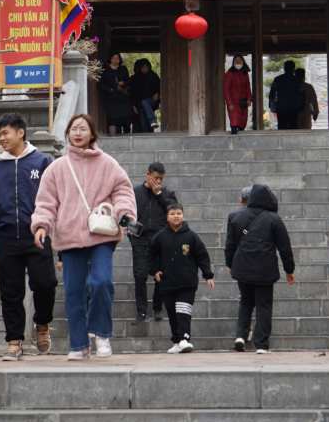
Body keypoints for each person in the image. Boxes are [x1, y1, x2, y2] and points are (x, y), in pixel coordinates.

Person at [31, 114, 137, 360]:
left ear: (92, 134)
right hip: (69, 236)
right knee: (74, 291)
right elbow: (46, 201)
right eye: (74, 129)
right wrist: (41, 225)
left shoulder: (108, 163)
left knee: (101, 282)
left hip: (101, 233)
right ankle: (79, 344)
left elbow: (122, 190)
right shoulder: (57, 167)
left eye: (83, 128)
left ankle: (101, 334)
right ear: (68, 133)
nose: (78, 133)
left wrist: (125, 213)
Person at [0, 113, 56, 361]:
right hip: (6, 236)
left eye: (5, 133)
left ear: (20, 132)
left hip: (37, 234)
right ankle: (14, 340)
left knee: (45, 283)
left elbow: (53, 198)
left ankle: (42, 324)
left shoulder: (42, 162)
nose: (2, 139)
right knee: (10, 290)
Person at [224, 184, 295, 353]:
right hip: (265, 268)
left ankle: (240, 335)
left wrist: (229, 263)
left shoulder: (235, 217)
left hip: (242, 266)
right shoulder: (274, 219)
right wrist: (289, 270)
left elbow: (230, 245)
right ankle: (261, 343)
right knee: (263, 305)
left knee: (246, 302)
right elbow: (285, 247)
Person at [150, 202, 214, 353]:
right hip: (167, 282)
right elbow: (151, 256)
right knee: (172, 313)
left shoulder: (191, 236)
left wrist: (208, 275)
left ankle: (185, 338)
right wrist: (155, 271)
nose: (176, 216)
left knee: (183, 310)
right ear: (167, 217)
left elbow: (202, 256)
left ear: (183, 215)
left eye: (178, 213)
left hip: (187, 282)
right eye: (172, 214)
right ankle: (177, 341)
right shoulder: (160, 237)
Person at [130, 162, 177, 323]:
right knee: (140, 274)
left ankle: (158, 308)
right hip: (140, 239)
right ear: (148, 175)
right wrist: (132, 233)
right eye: (156, 178)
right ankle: (141, 312)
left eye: (161, 179)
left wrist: (159, 195)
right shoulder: (135, 192)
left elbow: (173, 212)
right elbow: (128, 215)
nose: (158, 182)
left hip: (160, 239)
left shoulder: (167, 193)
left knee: (161, 275)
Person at [98, 52, 133, 134]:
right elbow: (101, 84)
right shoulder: (105, 70)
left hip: (123, 97)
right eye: (113, 58)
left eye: (117, 58)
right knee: (112, 119)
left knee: (126, 118)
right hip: (111, 98)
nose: (115, 60)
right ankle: (113, 139)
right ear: (110, 59)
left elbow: (128, 81)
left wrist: (123, 83)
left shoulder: (123, 69)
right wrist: (110, 89)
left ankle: (127, 138)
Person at [268, 60, 305, 130]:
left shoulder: (278, 79)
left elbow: (272, 94)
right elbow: (302, 95)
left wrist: (272, 105)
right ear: (293, 69)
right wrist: (301, 107)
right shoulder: (297, 80)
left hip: (281, 107)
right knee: (293, 128)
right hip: (294, 108)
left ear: (284, 68)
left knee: (282, 127)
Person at [128, 58, 162, 132]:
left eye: (146, 67)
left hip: (151, 101)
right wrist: (133, 105)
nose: (145, 69)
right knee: (143, 123)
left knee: (144, 102)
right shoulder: (135, 79)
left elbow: (161, 86)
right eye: (143, 67)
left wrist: (158, 93)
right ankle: (150, 129)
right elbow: (132, 93)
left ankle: (153, 120)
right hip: (139, 105)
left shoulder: (153, 76)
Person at [223, 55, 252, 134]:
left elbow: (248, 87)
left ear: (243, 62)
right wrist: (229, 103)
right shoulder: (229, 74)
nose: (238, 62)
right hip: (233, 102)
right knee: (235, 122)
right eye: (236, 60)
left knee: (243, 123)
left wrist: (249, 99)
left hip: (243, 101)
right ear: (233, 62)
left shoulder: (245, 74)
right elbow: (226, 90)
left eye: (240, 60)